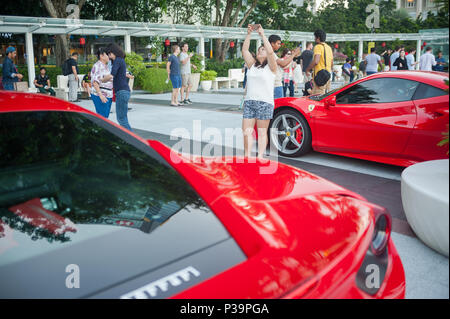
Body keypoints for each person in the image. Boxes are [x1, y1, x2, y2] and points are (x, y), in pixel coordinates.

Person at [242, 24, 277, 159]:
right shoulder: (252, 65)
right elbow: (245, 50)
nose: (260, 51)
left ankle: (260, 156)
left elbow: (270, 52)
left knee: (262, 133)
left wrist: (262, 35)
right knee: (246, 132)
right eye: (258, 50)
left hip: (265, 103)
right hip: (250, 102)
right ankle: (247, 156)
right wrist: (249, 34)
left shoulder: (271, 67)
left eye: (262, 49)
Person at [104, 43, 132, 131]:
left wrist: (102, 80)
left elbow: (112, 74)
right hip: (124, 91)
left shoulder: (117, 60)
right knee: (123, 117)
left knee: (121, 119)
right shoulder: (121, 60)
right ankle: (130, 138)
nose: (109, 56)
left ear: (113, 52)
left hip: (122, 91)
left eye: (109, 54)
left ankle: (132, 139)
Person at [269, 34, 300, 99]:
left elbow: (284, 65)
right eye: (278, 43)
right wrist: (294, 54)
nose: (279, 46)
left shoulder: (271, 54)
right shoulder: (271, 54)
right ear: (272, 44)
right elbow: (283, 64)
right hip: (276, 84)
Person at [305, 29, 333, 95]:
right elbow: (332, 64)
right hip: (327, 77)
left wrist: (307, 69)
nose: (314, 39)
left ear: (318, 38)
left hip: (319, 78)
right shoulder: (329, 48)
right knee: (326, 97)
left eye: (315, 37)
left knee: (318, 98)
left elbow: (316, 61)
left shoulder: (318, 47)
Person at [90, 48, 113, 118]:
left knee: (105, 117)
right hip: (101, 94)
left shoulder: (105, 66)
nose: (109, 56)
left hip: (108, 94)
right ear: (101, 56)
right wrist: (101, 95)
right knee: (103, 117)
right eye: (107, 54)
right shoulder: (97, 66)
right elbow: (95, 82)